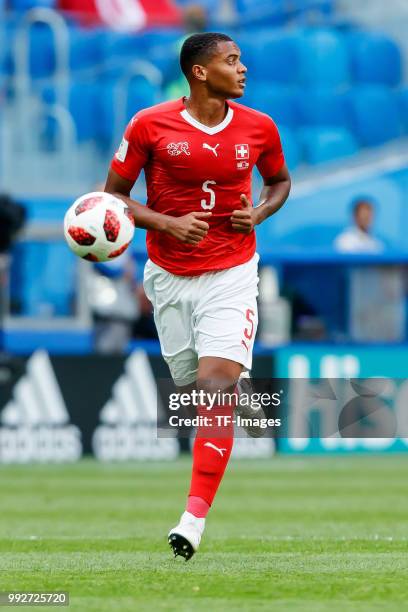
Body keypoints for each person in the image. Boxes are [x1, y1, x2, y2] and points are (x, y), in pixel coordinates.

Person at [104, 32, 291, 560]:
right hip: (168, 275)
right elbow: (111, 198)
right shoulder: (149, 124)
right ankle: (236, 377)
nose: (243, 67)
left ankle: (193, 519)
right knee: (193, 387)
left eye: (241, 58)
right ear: (200, 72)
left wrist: (256, 212)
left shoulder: (260, 126)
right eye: (232, 60)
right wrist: (165, 222)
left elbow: (279, 182)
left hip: (232, 270)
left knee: (211, 389)